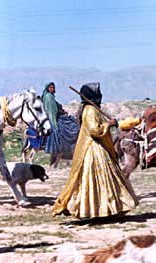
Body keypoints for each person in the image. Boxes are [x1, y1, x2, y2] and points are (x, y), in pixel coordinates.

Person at [53, 83, 138, 219]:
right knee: (100, 179)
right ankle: (98, 210)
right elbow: (94, 130)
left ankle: (106, 210)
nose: (100, 96)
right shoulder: (90, 110)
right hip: (94, 149)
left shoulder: (92, 109)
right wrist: (108, 125)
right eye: (98, 94)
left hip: (97, 147)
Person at [42, 82, 79, 167]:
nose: (52, 89)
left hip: (59, 115)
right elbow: (52, 111)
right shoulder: (48, 97)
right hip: (56, 118)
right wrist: (56, 123)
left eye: (53, 87)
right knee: (73, 127)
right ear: (47, 88)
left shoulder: (51, 96)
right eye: (50, 87)